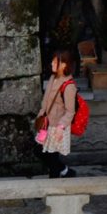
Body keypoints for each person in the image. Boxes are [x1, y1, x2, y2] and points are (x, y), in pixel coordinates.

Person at [35, 48, 78, 178]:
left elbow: (70, 111)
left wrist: (61, 127)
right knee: (39, 151)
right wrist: (41, 115)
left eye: (55, 62)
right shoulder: (53, 78)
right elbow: (46, 99)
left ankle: (54, 187)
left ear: (64, 64)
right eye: (52, 62)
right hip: (47, 123)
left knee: (52, 156)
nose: (52, 64)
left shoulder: (69, 86)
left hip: (57, 126)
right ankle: (65, 171)